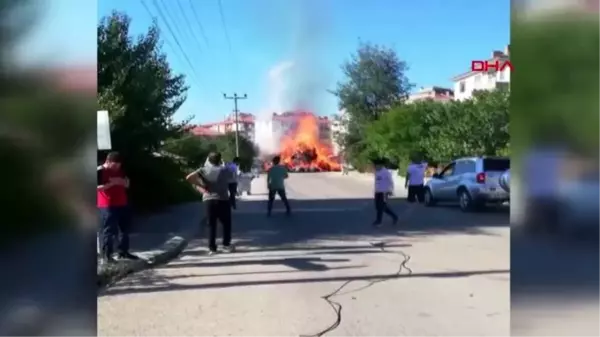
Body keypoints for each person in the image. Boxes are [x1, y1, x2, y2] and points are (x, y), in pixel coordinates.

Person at [186, 152, 235, 255]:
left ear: (208, 159)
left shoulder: (203, 170)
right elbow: (232, 178)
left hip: (208, 199)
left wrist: (202, 186)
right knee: (226, 223)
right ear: (219, 159)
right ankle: (226, 245)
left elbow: (189, 177)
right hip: (223, 199)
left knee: (211, 224)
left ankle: (212, 248)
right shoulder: (225, 170)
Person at [97, 151, 139, 264]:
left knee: (124, 229)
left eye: (118, 166)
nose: (116, 168)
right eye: (114, 165)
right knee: (108, 231)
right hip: (107, 205)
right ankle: (107, 255)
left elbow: (127, 184)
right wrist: (112, 184)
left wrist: (122, 182)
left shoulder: (121, 170)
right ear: (108, 161)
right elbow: (97, 188)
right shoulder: (100, 171)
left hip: (122, 203)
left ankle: (123, 252)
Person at [372, 158, 398, 227]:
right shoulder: (377, 172)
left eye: (376, 165)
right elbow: (376, 182)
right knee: (379, 207)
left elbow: (391, 182)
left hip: (384, 192)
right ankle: (394, 216)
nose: (375, 167)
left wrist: (390, 190)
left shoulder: (386, 172)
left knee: (381, 207)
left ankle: (379, 221)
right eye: (375, 166)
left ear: (380, 165)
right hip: (377, 192)